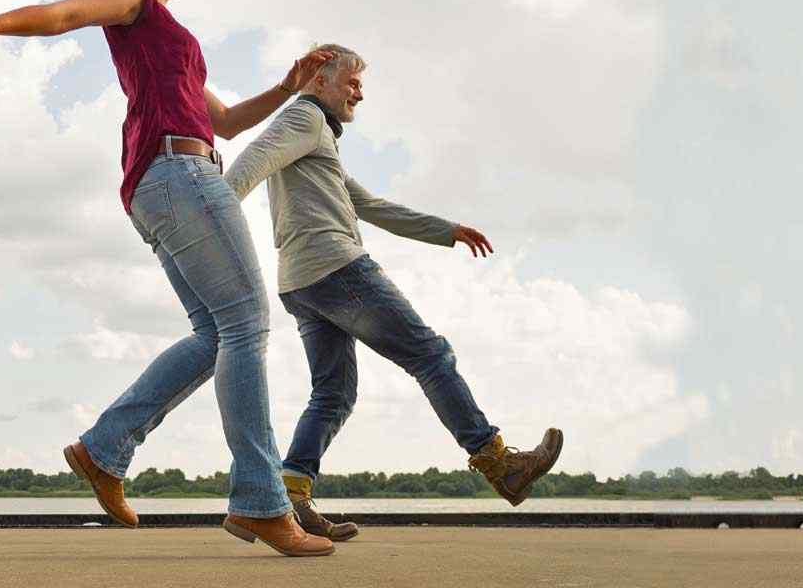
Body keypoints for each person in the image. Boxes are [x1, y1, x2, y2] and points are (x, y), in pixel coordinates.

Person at [0, 0, 336, 557]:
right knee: (247, 324)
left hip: (167, 177)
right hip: (179, 174)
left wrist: (290, 86)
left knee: (216, 333)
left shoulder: (170, 41)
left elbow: (225, 122)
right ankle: (261, 502)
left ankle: (104, 449)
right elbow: (62, 15)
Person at [223, 43, 566, 541]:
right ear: (319, 80)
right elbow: (250, 162)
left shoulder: (319, 141)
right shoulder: (304, 118)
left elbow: (370, 205)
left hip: (300, 282)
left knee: (334, 393)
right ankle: (498, 461)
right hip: (338, 269)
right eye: (353, 82)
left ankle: (290, 496)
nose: (360, 93)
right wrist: (215, 218)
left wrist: (444, 229)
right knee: (430, 356)